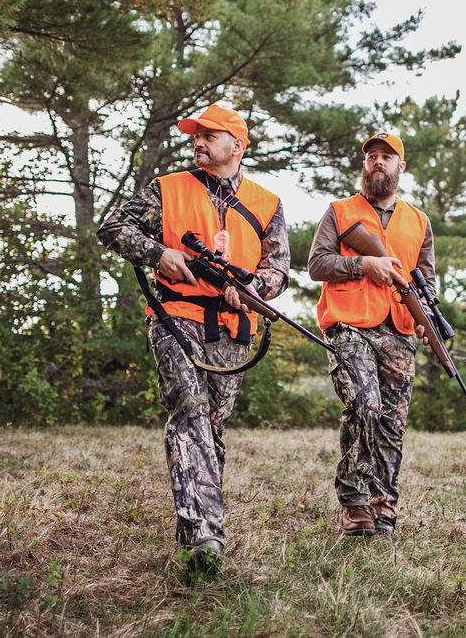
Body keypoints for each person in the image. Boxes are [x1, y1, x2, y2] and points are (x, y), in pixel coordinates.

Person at [97, 103, 289, 572]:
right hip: (174, 314)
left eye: (210, 135)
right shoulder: (167, 188)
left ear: (237, 145)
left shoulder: (268, 202)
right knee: (188, 411)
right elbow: (112, 227)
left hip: (233, 327)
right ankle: (204, 536)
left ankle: (199, 527)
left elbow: (279, 269)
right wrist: (157, 252)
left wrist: (254, 287)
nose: (199, 142)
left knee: (212, 427)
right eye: (196, 135)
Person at [307, 131, 434, 536]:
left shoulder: (419, 221)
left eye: (386, 156)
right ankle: (355, 500)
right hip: (348, 323)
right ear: (364, 165)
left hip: (398, 330)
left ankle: (383, 507)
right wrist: (363, 264)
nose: (377, 162)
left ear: (401, 167)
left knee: (391, 423)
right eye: (371, 157)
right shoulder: (339, 211)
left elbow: (426, 282)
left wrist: (427, 320)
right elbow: (317, 265)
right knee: (364, 404)